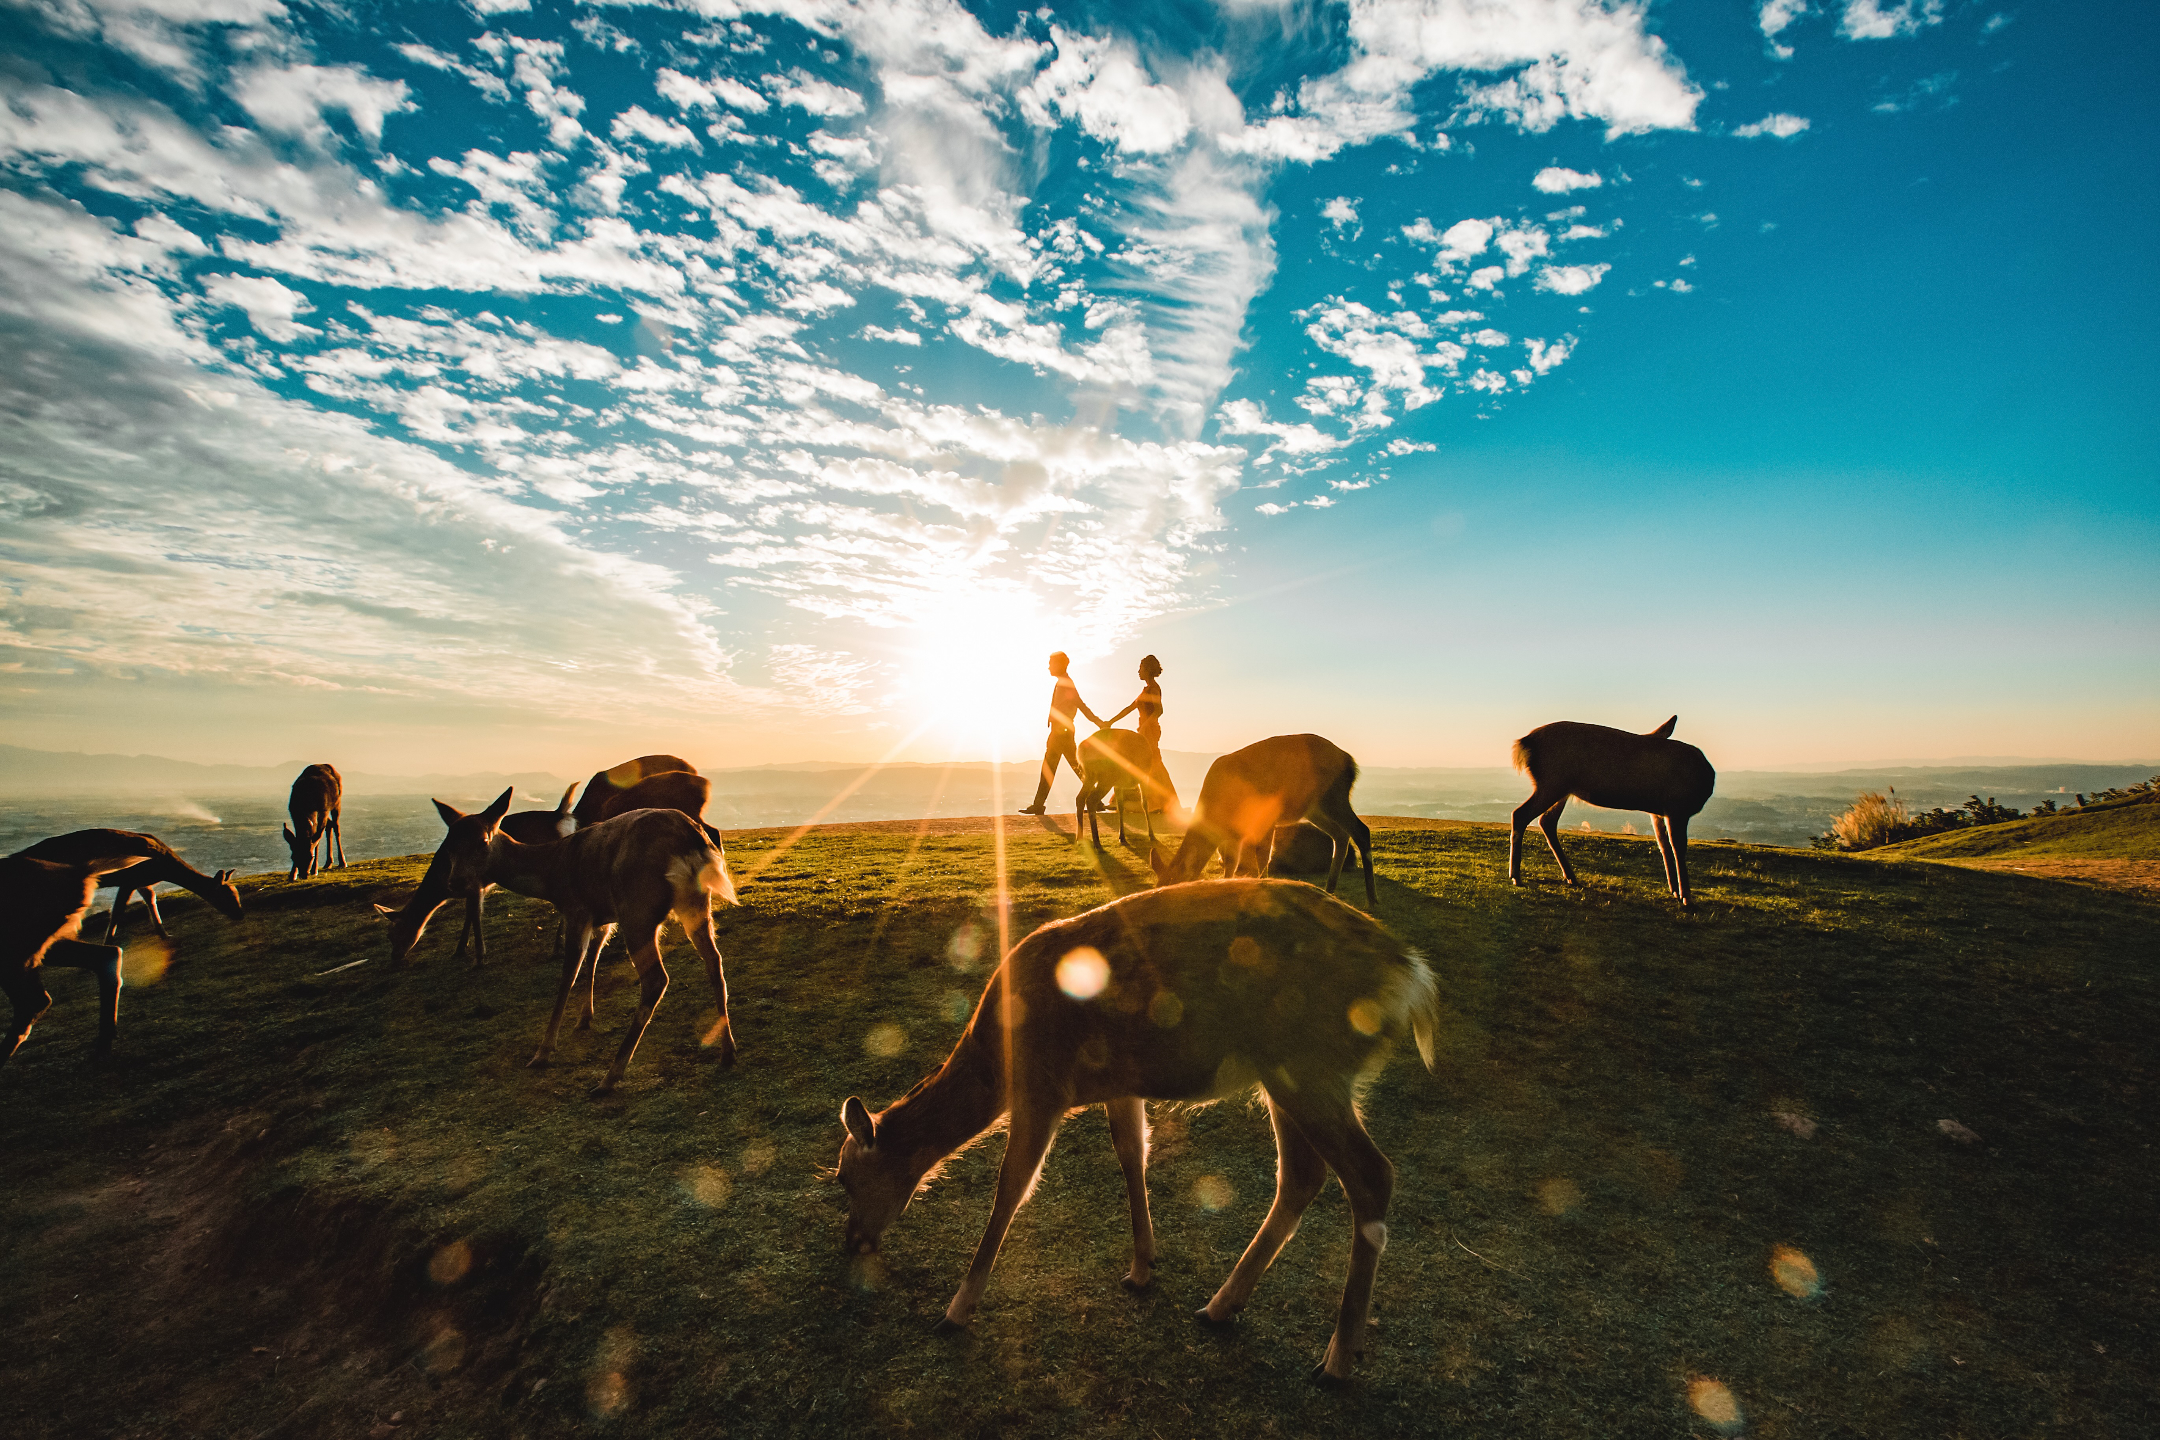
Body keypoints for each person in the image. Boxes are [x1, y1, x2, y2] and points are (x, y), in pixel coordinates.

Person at [1018, 651, 1104, 816]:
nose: (1049, 666)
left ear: (1061, 664)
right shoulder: (1062, 682)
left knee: (1053, 768)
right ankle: (1096, 799)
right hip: (1060, 731)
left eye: (1051, 663)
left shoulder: (1066, 683)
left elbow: (1080, 704)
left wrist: (1097, 721)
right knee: (1074, 767)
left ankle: (1039, 805)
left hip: (1061, 733)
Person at [1105, 653, 1164, 745]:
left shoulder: (1153, 688)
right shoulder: (1146, 690)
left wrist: (1145, 726)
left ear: (1147, 670)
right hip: (1143, 730)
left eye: (1140, 668)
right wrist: (1110, 722)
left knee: (1151, 757)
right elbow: (1129, 708)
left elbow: (1159, 710)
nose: (1138, 671)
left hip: (1150, 731)